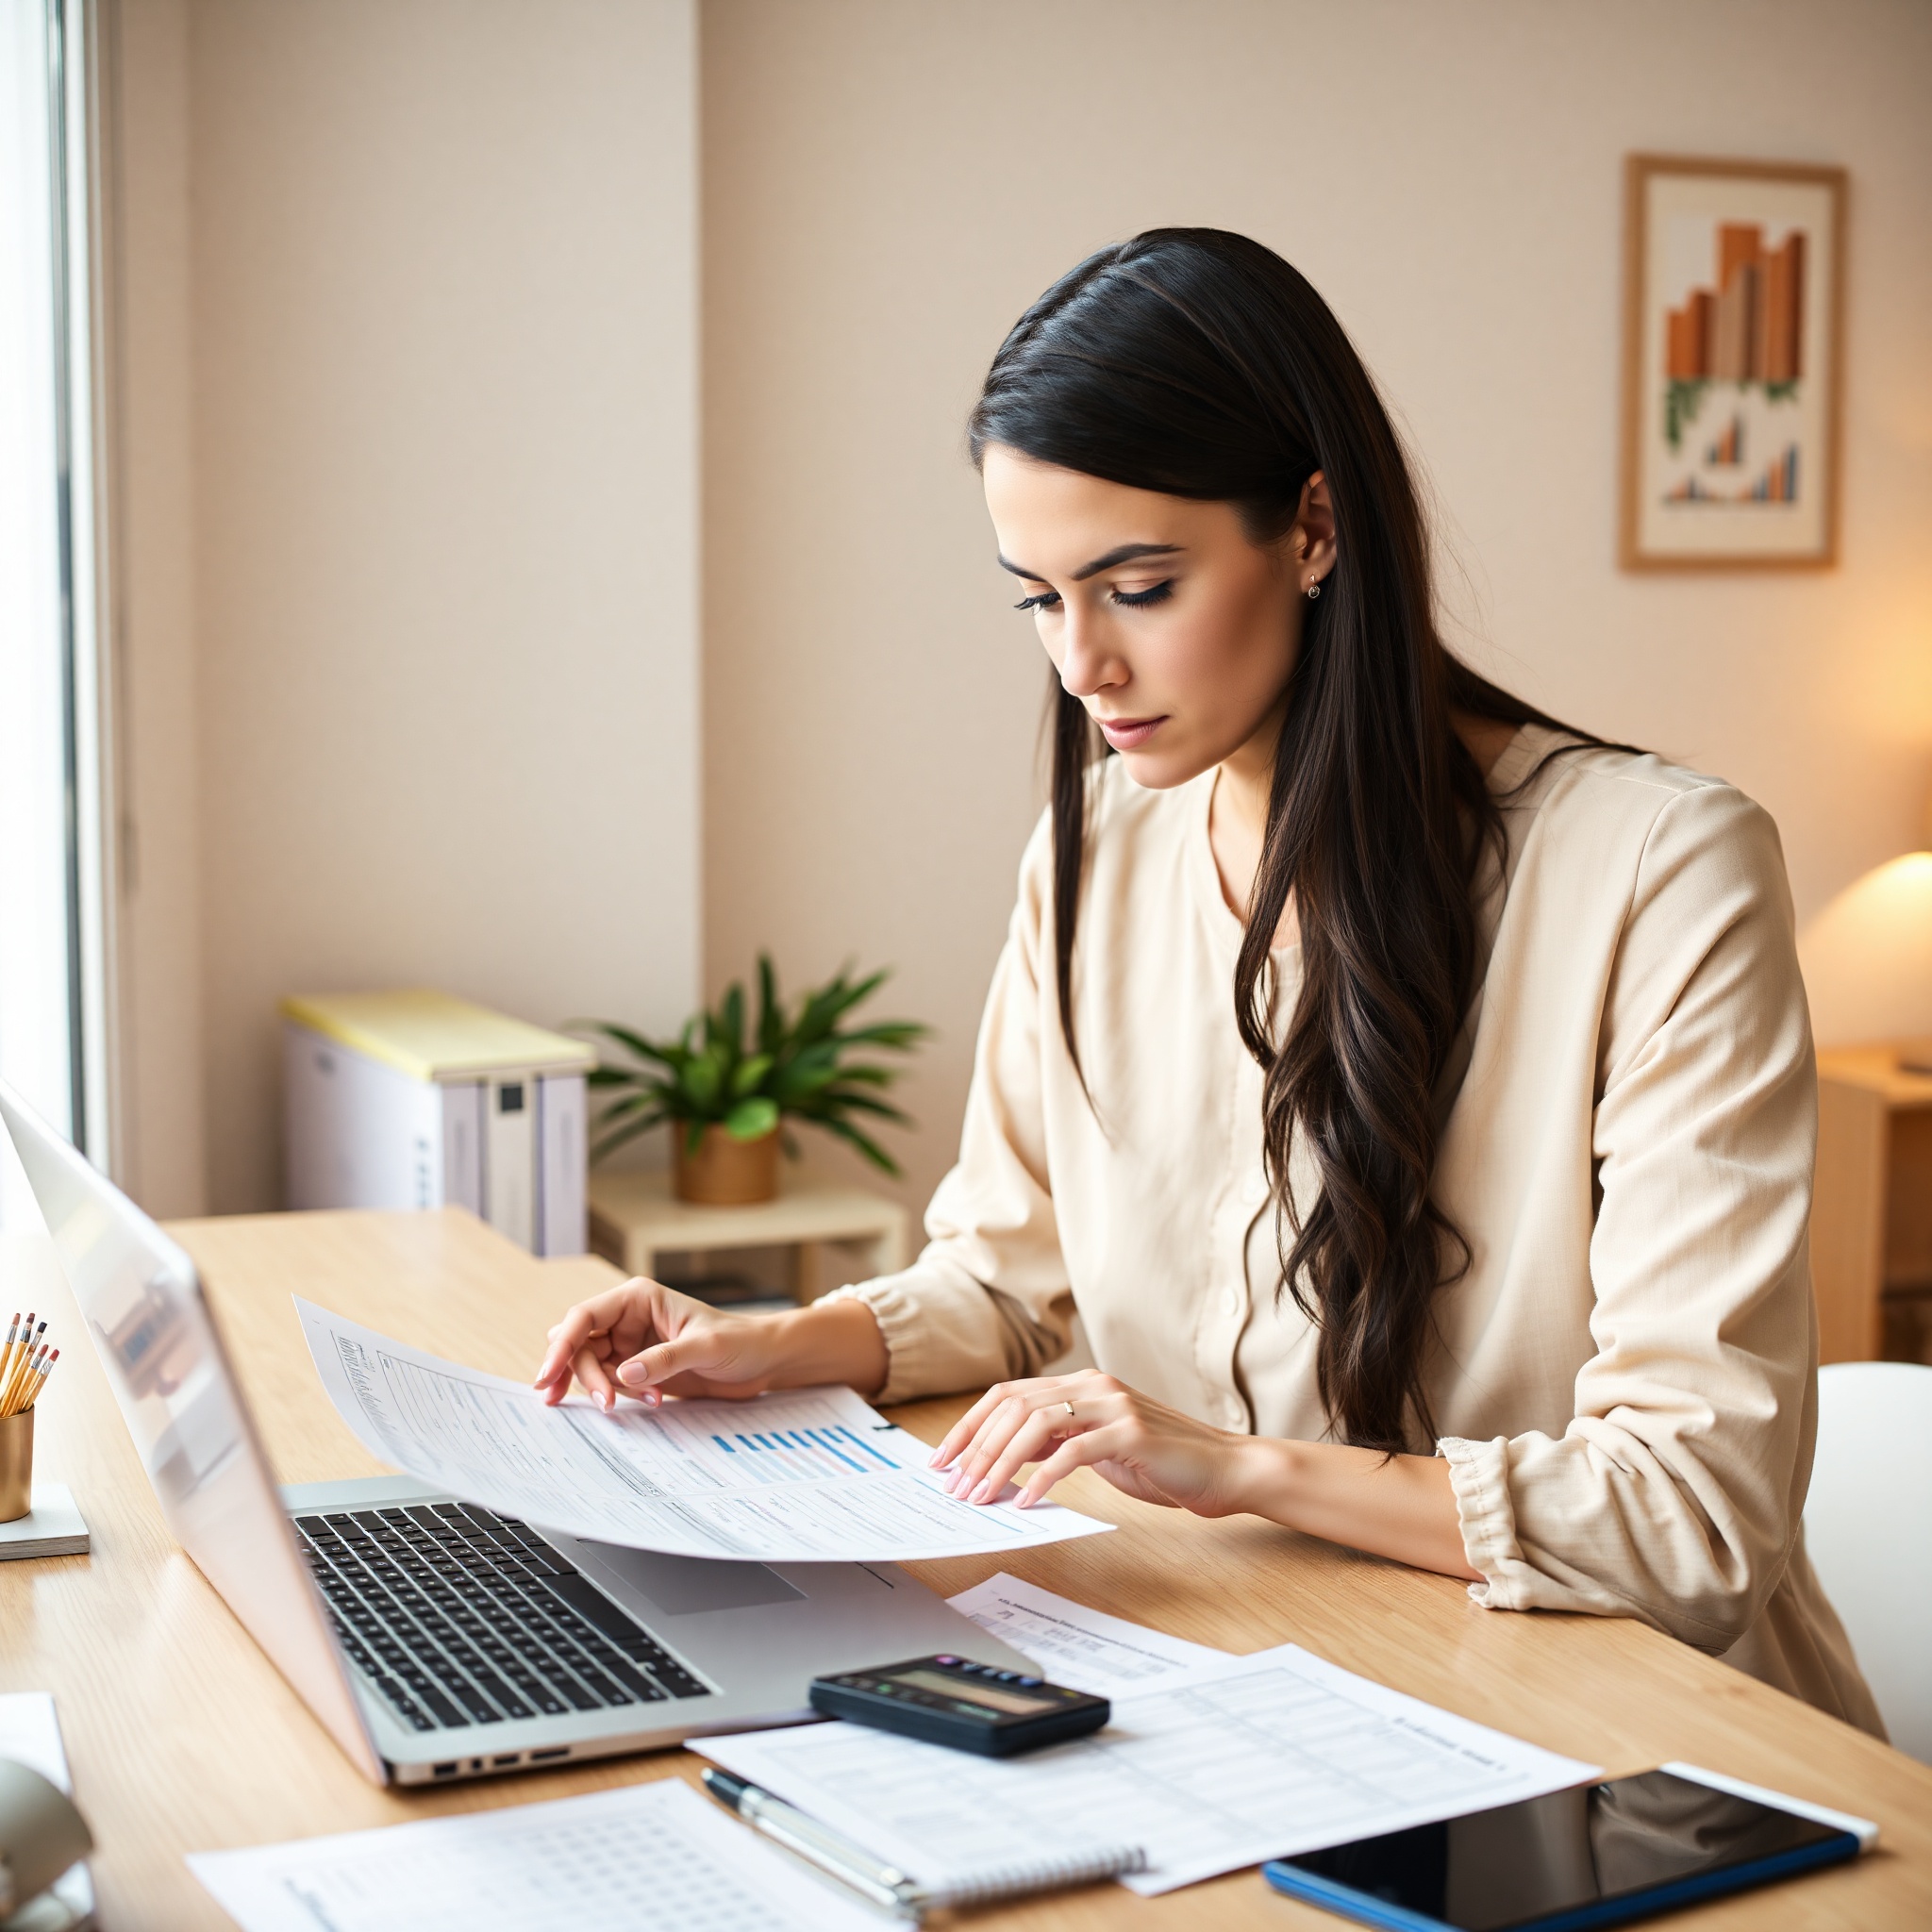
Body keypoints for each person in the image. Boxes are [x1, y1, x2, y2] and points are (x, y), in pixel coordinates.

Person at [536, 229, 1879, 1733]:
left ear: (1312, 527)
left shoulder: (1658, 872)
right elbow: (1007, 1278)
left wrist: (1229, 1465)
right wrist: (766, 1345)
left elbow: (1693, 1518)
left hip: (1639, 1734)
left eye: (1140, 585)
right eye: (1040, 600)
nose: (1083, 665)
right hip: (1267, 1674)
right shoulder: (1095, 851)